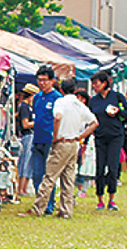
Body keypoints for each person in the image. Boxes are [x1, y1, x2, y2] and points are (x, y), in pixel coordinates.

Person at [25, 78, 97, 219]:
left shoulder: (61, 102)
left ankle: (38, 207)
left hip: (62, 142)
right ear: (75, 90)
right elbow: (94, 122)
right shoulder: (79, 104)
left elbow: (57, 117)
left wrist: (55, 136)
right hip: (73, 143)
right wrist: (80, 136)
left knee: (50, 176)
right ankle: (66, 210)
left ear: (62, 90)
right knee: (68, 179)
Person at [88, 70, 127, 210]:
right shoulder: (94, 101)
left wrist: (118, 111)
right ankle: (99, 198)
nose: (94, 86)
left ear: (104, 83)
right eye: (93, 84)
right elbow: (90, 119)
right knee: (100, 168)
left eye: (96, 83)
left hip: (115, 136)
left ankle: (111, 198)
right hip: (100, 137)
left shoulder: (117, 97)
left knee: (112, 168)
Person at [29, 66, 60, 211]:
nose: (42, 83)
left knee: (49, 175)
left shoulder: (57, 98)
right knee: (37, 174)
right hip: (37, 139)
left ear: (52, 81)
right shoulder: (37, 97)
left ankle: (49, 203)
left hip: (50, 140)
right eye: (39, 80)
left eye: (44, 80)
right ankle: (40, 201)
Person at [15, 83, 37, 196]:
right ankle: (21, 189)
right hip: (27, 136)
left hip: (30, 136)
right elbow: (25, 124)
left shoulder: (27, 107)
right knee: (26, 162)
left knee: (28, 162)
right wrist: (37, 123)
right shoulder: (24, 107)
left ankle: (23, 188)